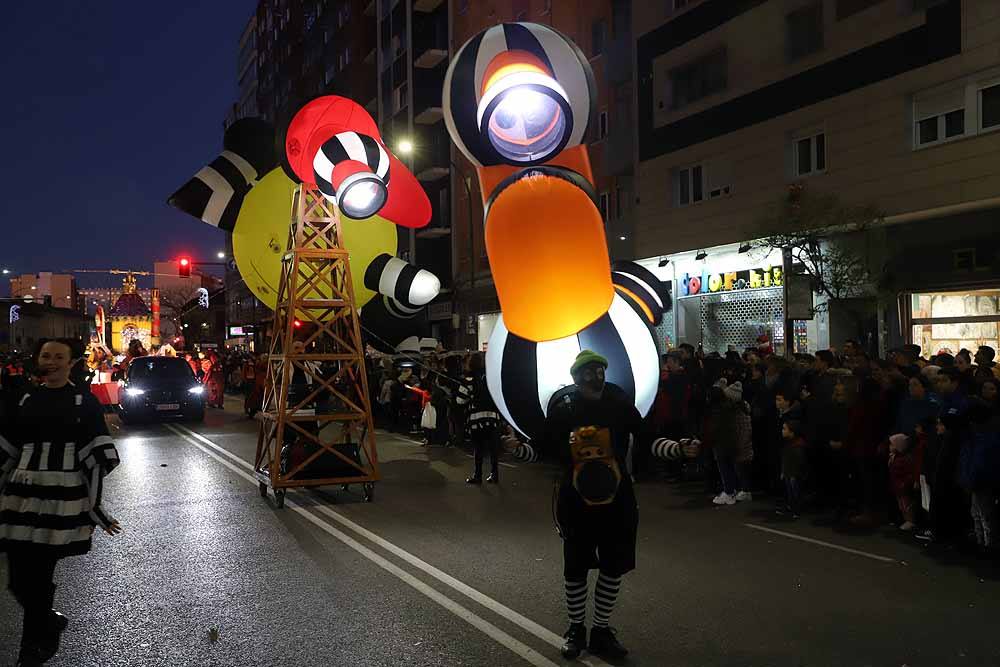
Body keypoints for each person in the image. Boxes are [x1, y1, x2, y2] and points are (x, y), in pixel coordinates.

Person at [0, 339, 122, 665]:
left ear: (72, 363)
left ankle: (33, 648)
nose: (51, 361)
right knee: (17, 580)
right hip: (20, 498)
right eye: (45, 356)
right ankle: (49, 621)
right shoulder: (23, 397)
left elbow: (99, 456)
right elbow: (7, 448)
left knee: (38, 575)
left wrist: (95, 508)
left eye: (58, 357)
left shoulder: (84, 402)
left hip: (61, 501)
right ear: (38, 360)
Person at [539, 350, 643, 660]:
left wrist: (675, 447)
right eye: (588, 372)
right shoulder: (563, 406)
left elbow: (646, 435)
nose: (595, 377)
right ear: (576, 377)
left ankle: (601, 630)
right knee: (576, 567)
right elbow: (541, 445)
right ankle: (576, 629)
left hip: (618, 500)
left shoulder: (618, 401)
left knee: (613, 566)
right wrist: (518, 449)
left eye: (600, 371)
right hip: (575, 500)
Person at [462, 353, 502, 484]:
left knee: (478, 448)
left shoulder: (469, 380)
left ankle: (477, 475)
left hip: (476, 419)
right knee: (493, 448)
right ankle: (494, 474)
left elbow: (460, 400)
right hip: (493, 417)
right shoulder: (491, 378)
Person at [778, 419, 807, 519]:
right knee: (790, 492)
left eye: (784, 429)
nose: (782, 431)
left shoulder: (797, 446)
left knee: (795, 492)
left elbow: (799, 462)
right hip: (788, 473)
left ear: (792, 432)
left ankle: (796, 510)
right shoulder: (788, 443)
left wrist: (793, 474)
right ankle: (791, 507)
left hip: (793, 474)